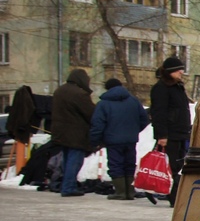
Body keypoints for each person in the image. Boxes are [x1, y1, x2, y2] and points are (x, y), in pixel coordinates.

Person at [90, 79, 150, 200]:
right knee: (129, 164)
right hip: (130, 140)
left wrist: (95, 141)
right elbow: (144, 119)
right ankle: (130, 192)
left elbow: (97, 124)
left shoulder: (103, 104)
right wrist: (133, 130)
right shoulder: (133, 101)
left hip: (112, 140)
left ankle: (121, 192)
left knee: (116, 165)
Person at [150, 57, 192, 207]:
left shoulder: (177, 86)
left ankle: (170, 193)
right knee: (170, 166)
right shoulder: (161, 88)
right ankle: (174, 197)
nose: (182, 72)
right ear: (170, 72)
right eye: (178, 69)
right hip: (170, 134)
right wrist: (161, 135)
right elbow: (159, 113)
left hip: (180, 133)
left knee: (177, 166)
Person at [50, 69, 96, 197]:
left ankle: (66, 184)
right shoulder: (79, 94)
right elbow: (91, 113)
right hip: (76, 134)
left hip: (60, 132)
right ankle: (68, 187)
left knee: (66, 159)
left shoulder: (59, 91)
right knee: (74, 161)